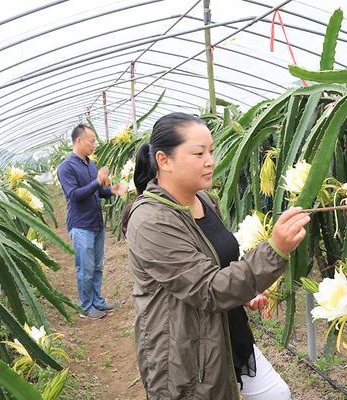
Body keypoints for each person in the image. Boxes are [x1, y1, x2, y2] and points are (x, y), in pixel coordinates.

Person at [121, 113, 310, 399]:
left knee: (277, 394)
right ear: (163, 160)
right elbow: (208, 288)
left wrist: (244, 293)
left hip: (227, 330)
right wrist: (275, 250)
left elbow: (218, 265)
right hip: (186, 351)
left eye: (211, 150)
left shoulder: (204, 200)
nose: (210, 160)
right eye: (198, 153)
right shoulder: (150, 222)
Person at [58, 124, 127, 320]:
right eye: (92, 141)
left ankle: (97, 301)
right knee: (85, 269)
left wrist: (111, 190)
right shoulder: (66, 167)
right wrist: (97, 181)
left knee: (97, 267)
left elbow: (97, 192)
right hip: (81, 226)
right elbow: (75, 195)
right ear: (79, 141)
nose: (94, 145)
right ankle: (86, 307)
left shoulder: (91, 164)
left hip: (96, 224)